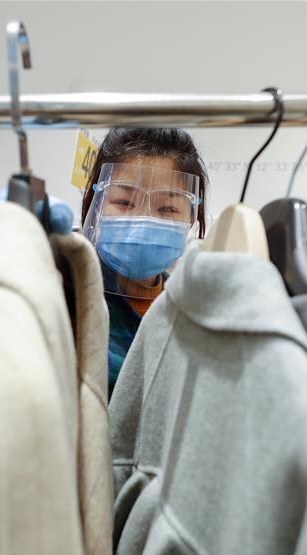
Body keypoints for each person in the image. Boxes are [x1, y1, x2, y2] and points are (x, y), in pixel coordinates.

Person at [81, 128, 208, 395]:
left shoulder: (193, 310)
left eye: (167, 208)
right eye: (124, 201)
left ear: (191, 217)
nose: (143, 219)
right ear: (97, 203)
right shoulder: (70, 291)